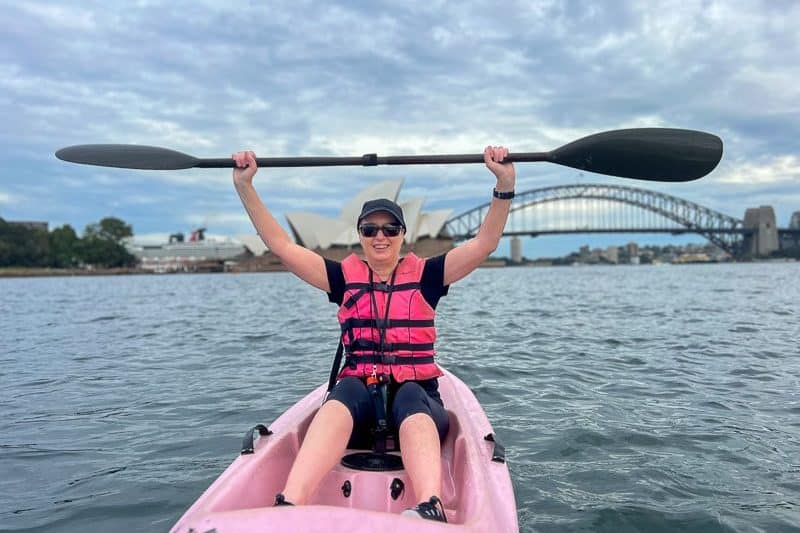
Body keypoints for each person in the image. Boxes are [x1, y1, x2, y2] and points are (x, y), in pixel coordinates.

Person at [231, 145, 515, 522]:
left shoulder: (429, 276)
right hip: (359, 405)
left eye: (390, 228)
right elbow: (282, 246)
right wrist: (245, 187)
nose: (380, 236)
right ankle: (289, 504)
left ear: (402, 234)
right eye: (370, 229)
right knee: (344, 390)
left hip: (420, 403)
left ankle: (430, 506)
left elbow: (485, 244)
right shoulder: (341, 278)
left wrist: (504, 184)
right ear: (361, 235)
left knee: (412, 393)